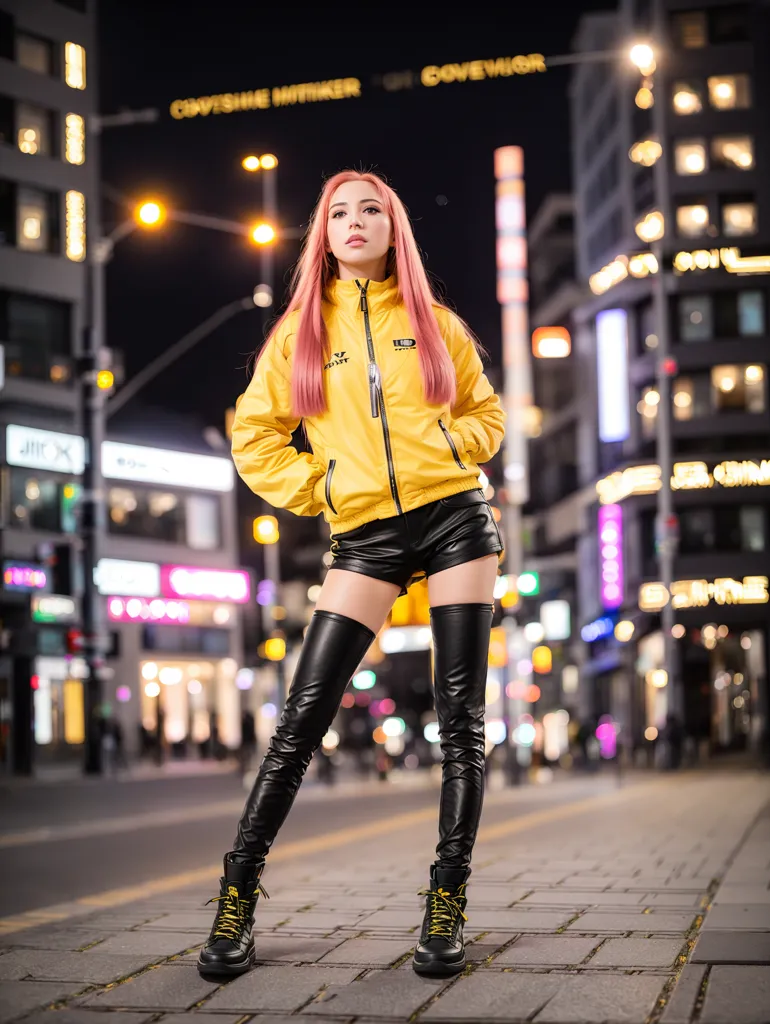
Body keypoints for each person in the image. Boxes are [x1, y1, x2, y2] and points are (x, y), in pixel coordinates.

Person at [197, 170, 505, 981]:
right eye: (339, 212)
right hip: (363, 533)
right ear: (323, 236)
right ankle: (237, 894)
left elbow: (488, 413)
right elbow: (255, 435)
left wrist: (454, 450)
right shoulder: (299, 332)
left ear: (392, 227)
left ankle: (446, 901)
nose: (355, 221)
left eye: (371, 209)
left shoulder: (436, 324)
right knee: (301, 719)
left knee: (461, 718)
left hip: (455, 520)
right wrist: (322, 489)